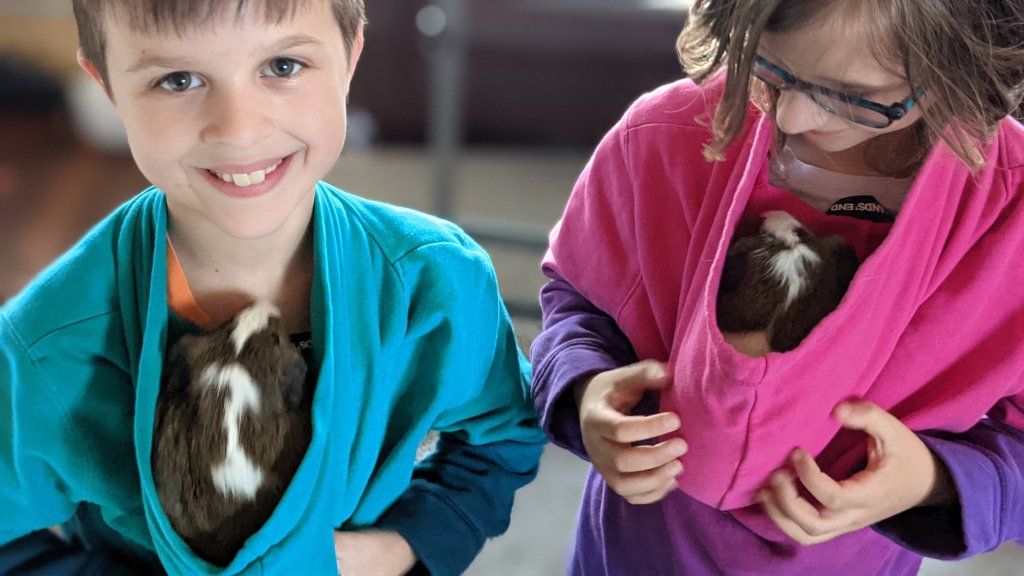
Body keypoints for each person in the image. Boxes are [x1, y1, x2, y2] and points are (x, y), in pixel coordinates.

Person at [0, 1, 546, 574]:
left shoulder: (434, 283)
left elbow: (501, 436)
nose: (240, 129)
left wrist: (402, 547)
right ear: (108, 87)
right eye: (178, 80)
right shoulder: (45, 346)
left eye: (283, 66)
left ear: (349, 57)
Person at [532, 0, 1024, 574]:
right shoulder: (666, 136)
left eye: (852, 95)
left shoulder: (1007, 218)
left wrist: (930, 482)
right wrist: (587, 389)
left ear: (961, 66)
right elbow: (579, 299)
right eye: (769, 69)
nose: (789, 118)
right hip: (627, 553)